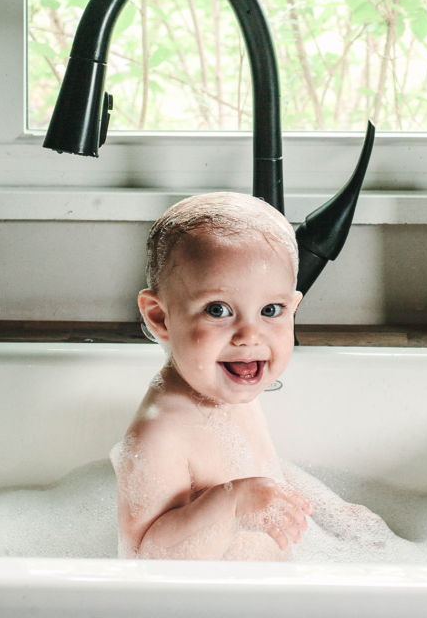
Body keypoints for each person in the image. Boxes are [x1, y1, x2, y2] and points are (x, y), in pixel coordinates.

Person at [112, 191, 313, 561]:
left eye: (271, 309)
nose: (250, 335)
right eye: (218, 310)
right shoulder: (161, 434)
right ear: (159, 317)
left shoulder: (229, 392)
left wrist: (328, 510)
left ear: (293, 308)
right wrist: (232, 504)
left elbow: (264, 473)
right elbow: (142, 558)